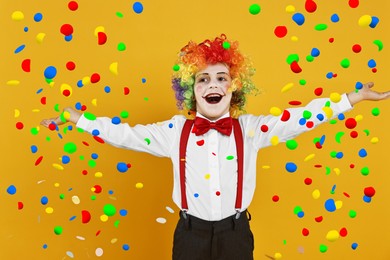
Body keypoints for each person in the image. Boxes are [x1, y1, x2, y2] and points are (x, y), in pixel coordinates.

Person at [41, 34, 390, 260]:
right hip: (189, 236)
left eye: (221, 77)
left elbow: (299, 119)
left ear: (233, 88)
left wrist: (351, 99)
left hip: (236, 234)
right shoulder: (175, 131)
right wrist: (78, 120)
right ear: (190, 89)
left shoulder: (251, 129)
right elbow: (126, 134)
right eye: (203, 79)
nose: (212, 84)